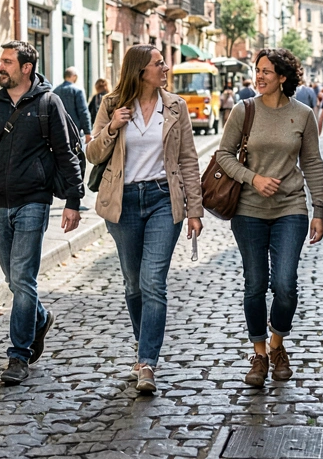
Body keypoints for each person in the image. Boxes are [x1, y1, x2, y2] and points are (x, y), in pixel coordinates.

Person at [0, 41, 85, 385]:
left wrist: (74, 200)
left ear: (26, 68)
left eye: (8, 62)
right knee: (14, 280)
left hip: (34, 200)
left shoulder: (48, 103)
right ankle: (39, 319)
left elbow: (65, 155)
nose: (2, 67)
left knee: (24, 278)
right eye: (1, 61)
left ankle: (18, 356)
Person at [86, 45, 203, 394]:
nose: (165, 67)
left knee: (153, 282)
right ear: (140, 71)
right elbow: (92, 153)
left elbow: (188, 159)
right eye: (158, 63)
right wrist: (112, 128)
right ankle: (143, 349)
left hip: (163, 200)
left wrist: (195, 209)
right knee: (133, 284)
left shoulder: (176, 106)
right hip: (123, 203)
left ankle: (147, 362)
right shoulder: (111, 104)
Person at [215, 48, 323, 387]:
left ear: (283, 77)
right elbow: (223, 155)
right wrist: (253, 178)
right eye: (257, 70)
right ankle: (260, 354)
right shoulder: (243, 110)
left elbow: (312, 163)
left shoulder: (303, 114)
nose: (259, 76)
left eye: (266, 71)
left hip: (290, 208)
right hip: (248, 210)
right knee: (254, 283)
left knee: (284, 284)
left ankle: (278, 344)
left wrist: (318, 209)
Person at [53, 66, 92, 141]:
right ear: (73, 76)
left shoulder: (55, 91)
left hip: (59, 131)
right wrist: (88, 132)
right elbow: (83, 112)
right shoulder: (78, 91)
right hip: (75, 130)